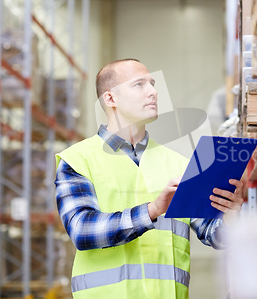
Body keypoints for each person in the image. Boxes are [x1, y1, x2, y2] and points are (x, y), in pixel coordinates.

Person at [54, 59, 245, 299]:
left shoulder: (179, 163)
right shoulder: (79, 159)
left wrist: (231, 216)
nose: (153, 91)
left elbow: (212, 234)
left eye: (153, 84)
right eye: (139, 84)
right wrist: (152, 210)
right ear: (111, 99)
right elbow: (82, 230)